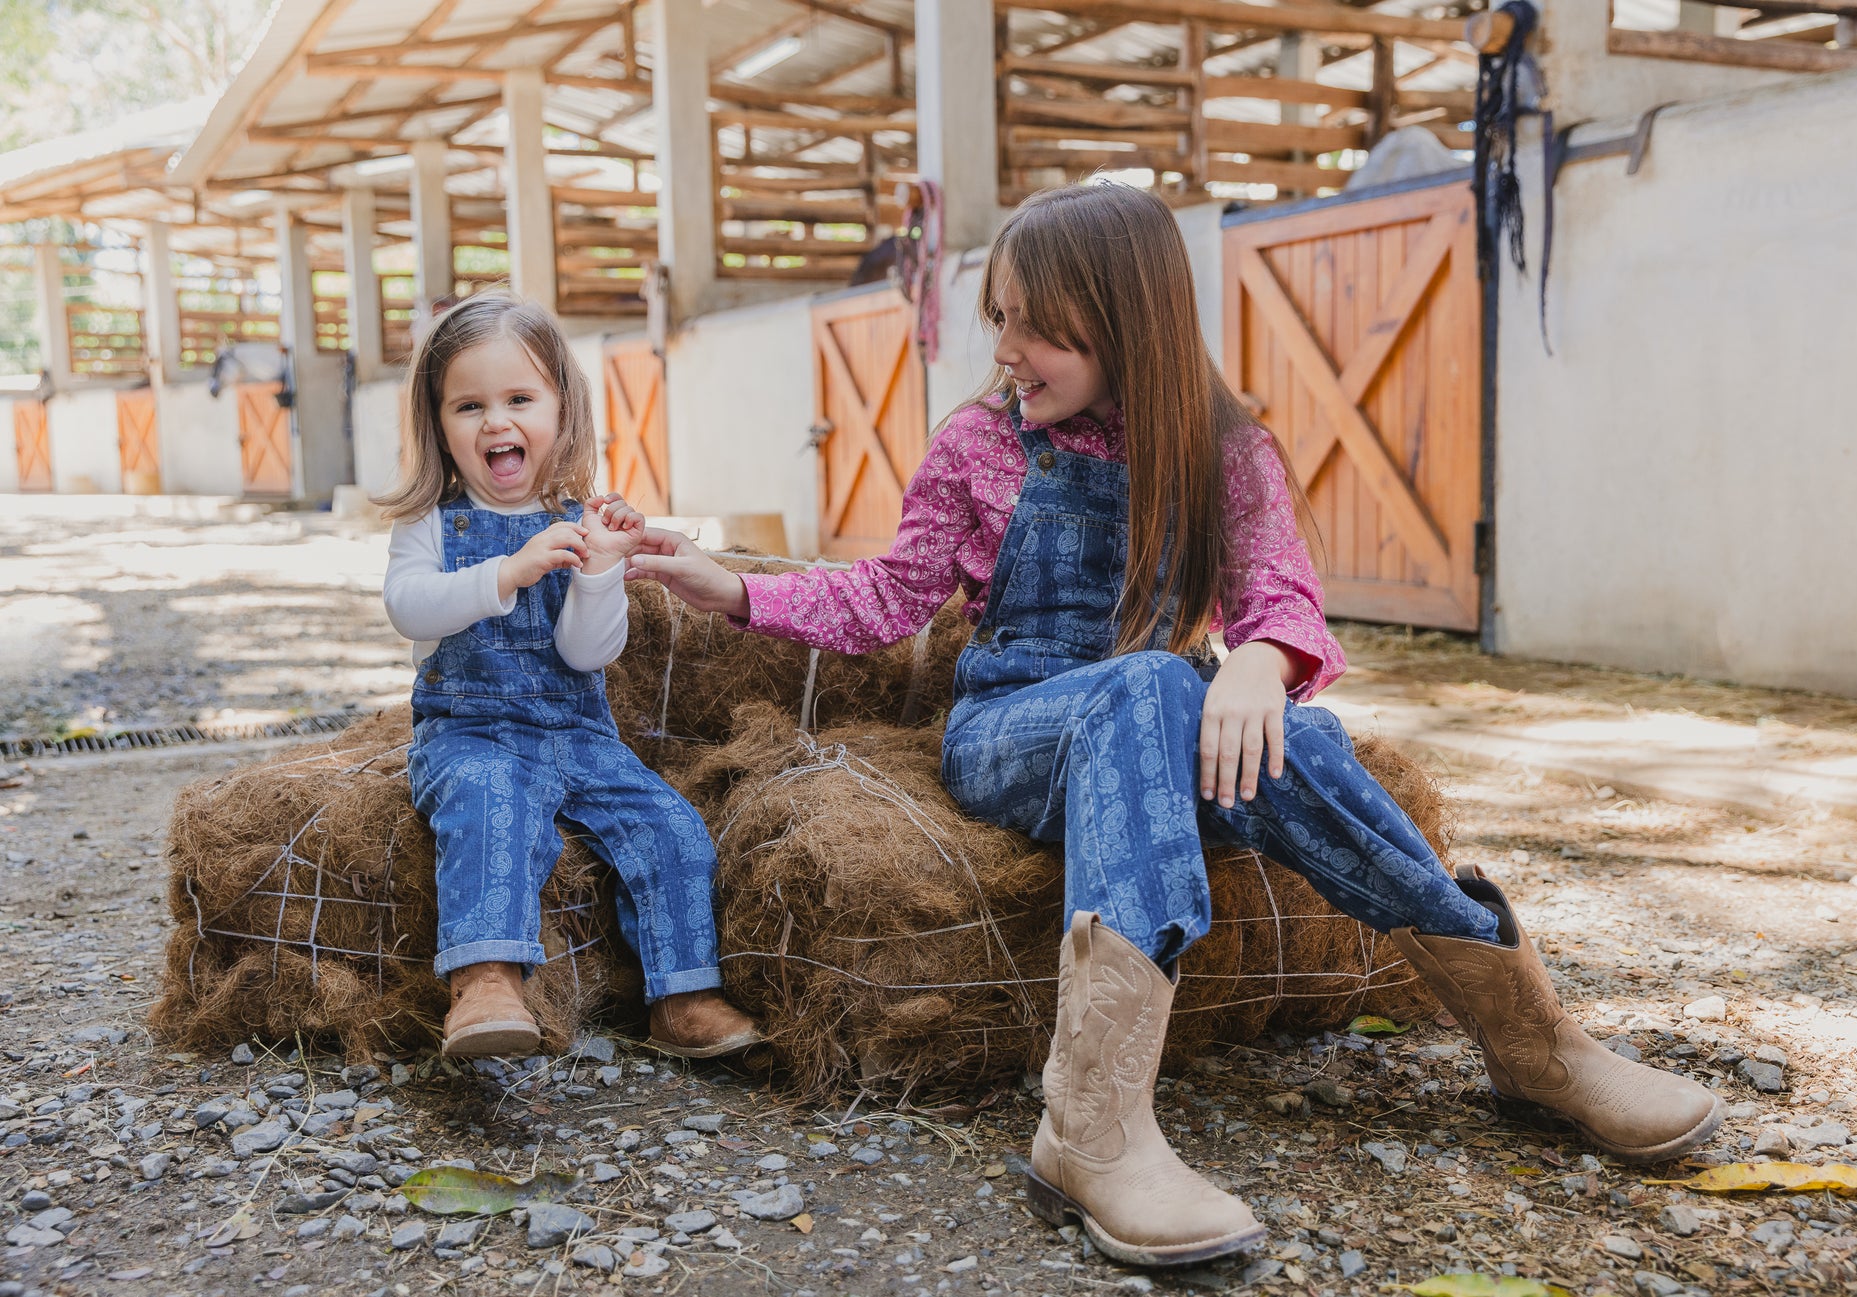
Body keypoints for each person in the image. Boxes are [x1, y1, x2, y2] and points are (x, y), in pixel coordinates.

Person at [623, 184, 1722, 1267]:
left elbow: (1281, 599)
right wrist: (733, 590)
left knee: (1305, 738)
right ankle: (1091, 1127)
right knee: (1148, 683)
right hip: (1012, 732)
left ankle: (1531, 1040)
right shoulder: (977, 446)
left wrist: (1258, 662)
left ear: (1123, 324)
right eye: (1000, 317)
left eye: (1036, 327)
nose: (1004, 350)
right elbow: (887, 596)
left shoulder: (1224, 452)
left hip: (1158, 723)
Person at [375, 291, 759, 1061]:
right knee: (489, 807)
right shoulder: (432, 523)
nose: (496, 422)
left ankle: (683, 996)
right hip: (471, 733)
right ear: (439, 423)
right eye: (469, 405)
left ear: (562, 409)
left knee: (671, 825)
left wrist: (599, 571)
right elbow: (408, 608)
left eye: (520, 399)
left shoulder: (578, 519)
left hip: (578, 734)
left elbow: (588, 654)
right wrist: (507, 572)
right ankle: (485, 982)